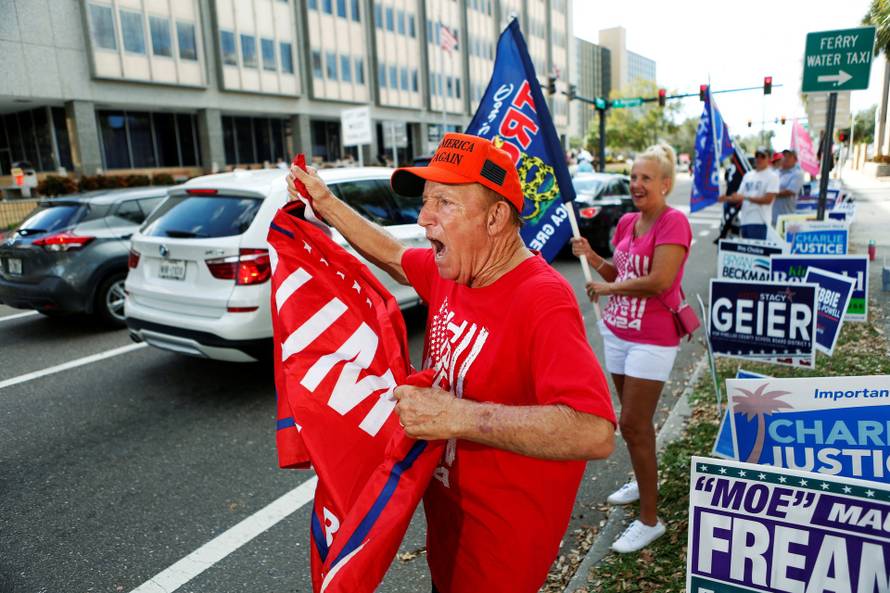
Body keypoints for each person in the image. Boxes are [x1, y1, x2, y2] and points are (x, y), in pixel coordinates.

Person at [287, 133, 617, 593]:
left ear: (496, 217)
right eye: (425, 202)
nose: (423, 219)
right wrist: (325, 204)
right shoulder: (456, 272)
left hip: (501, 555)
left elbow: (595, 430)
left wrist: (458, 416)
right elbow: (393, 255)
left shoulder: (542, 298)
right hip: (448, 529)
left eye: (443, 202)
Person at [571, 143, 692, 554]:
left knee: (634, 425)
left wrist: (608, 287)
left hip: (652, 338)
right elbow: (618, 271)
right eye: (633, 177)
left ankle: (650, 520)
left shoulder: (673, 223)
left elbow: (659, 282)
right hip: (618, 332)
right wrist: (592, 257)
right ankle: (642, 482)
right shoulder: (626, 222)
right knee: (633, 423)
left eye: (645, 178)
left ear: (665, 184)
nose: (637, 185)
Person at [718, 148, 778, 240]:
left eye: (763, 156)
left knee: (757, 253)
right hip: (745, 221)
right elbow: (738, 197)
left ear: (769, 159)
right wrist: (726, 198)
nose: (759, 159)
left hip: (760, 222)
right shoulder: (748, 175)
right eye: (757, 156)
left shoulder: (772, 177)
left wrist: (746, 198)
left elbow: (768, 200)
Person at [772, 149, 804, 226]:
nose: (785, 158)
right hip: (772, 217)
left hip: (786, 218)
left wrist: (770, 193)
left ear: (795, 159)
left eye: (789, 156)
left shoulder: (798, 174)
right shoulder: (775, 172)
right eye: (784, 156)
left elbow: (790, 192)